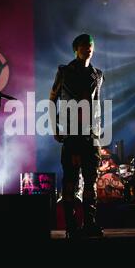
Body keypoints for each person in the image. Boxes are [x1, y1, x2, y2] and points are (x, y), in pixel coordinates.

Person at [49, 33, 105, 238]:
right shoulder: (64, 71)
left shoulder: (98, 74)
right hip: (72, 133)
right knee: (70, 181)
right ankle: (71, 226)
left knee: (91, 180)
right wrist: (55, 127)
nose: (87, 48)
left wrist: (99, 129)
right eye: (82, 45)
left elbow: (97, 103)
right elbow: (52, 99)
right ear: (75, 49)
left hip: (92, 135)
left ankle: (90, 223)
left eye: (90, 45)